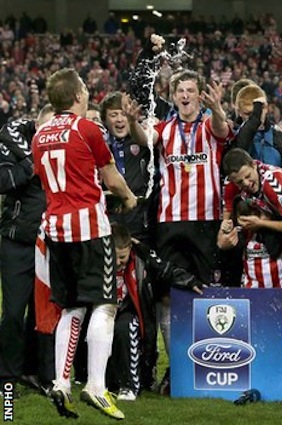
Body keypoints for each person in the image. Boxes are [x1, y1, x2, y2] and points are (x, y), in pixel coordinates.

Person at [32, 68, 138, 419]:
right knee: (104, 305)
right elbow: (110, 176)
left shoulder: (40, 134)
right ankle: (96, 385)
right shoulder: (86, 128)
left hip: (56, 230)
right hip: (90, 229)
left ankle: (61, 383)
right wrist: (128, 197)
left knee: (71, 307)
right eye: (85, 91)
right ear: (78, 95)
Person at [106, 223, 203, 401]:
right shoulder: (96, 259)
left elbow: (164, 270)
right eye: (114, 257)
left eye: (122, 257)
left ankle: (130, 386)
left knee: (125, 326)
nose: (119, 262)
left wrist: (188, 281)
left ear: (129, 248)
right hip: (103, 311)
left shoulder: (142, 256)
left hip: (131, 311)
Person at [0, 104, 55, 393]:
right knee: (12, 312)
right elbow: (3, 181)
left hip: (49, 244)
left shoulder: (62, 153)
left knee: (42, 313)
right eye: (44, 128)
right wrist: (30, 163)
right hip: (16, 242)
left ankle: (37, 373)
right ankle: (6, 377)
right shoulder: (12, 145)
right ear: (36, 126)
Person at [218, 148, 282, 287]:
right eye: (240, 182)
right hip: (272, 245)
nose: (246, 183)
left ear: (254, 165)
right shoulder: (232, 184)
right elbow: (225, 223)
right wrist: (223, 236)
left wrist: (261, 223)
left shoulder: (274, 182)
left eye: (248, 176)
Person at [99, 91, 156, 246]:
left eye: (123, 114)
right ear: (104, 120)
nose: (119, 119)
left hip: (141, 218)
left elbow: (147, 138)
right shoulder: (100, 144)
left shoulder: (141, 138)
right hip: (111, 219)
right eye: (113, 115)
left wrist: (133, 123)